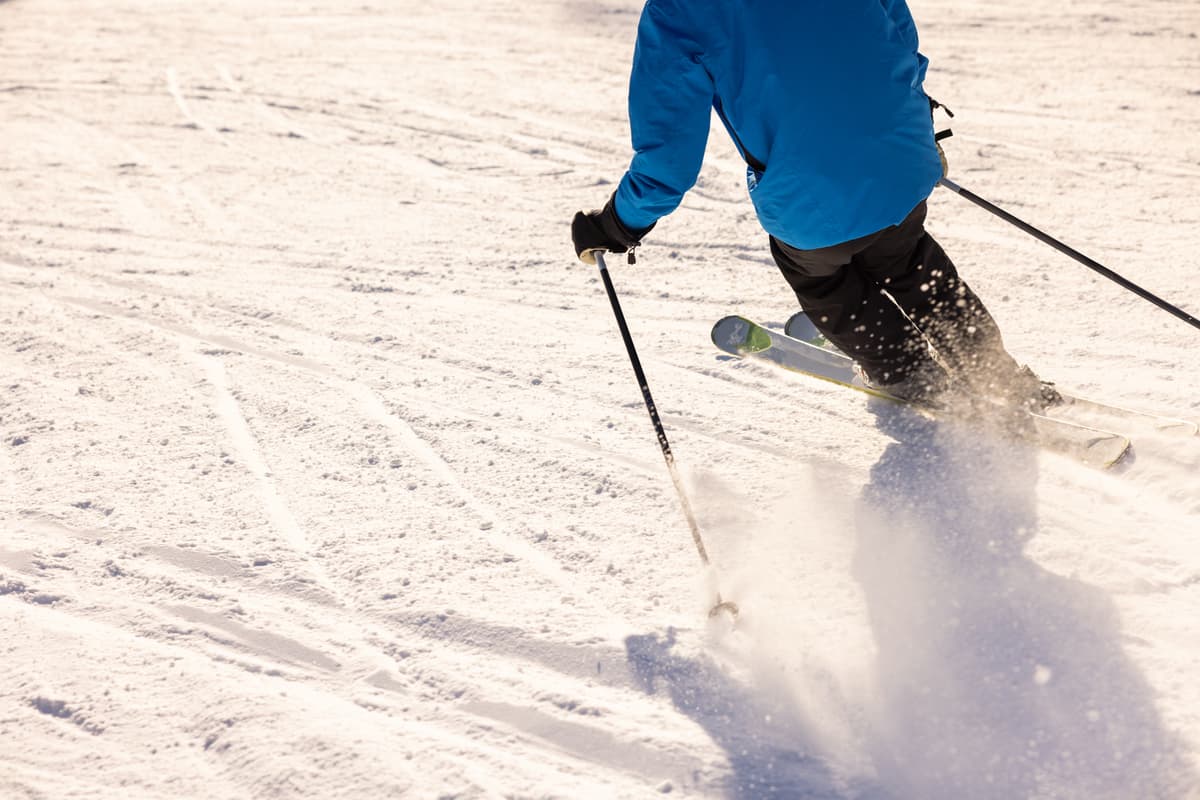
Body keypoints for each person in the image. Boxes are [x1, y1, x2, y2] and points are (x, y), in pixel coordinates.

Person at [571, 0, 1058, 409]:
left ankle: (906, 371)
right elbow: (899, 43)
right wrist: (917, 132)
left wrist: (618, 226)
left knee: (824, 278)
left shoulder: (681, 11)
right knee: (907, 258)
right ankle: (991, 369)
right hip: (899, 161)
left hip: (811, 199)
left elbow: (668, 160)